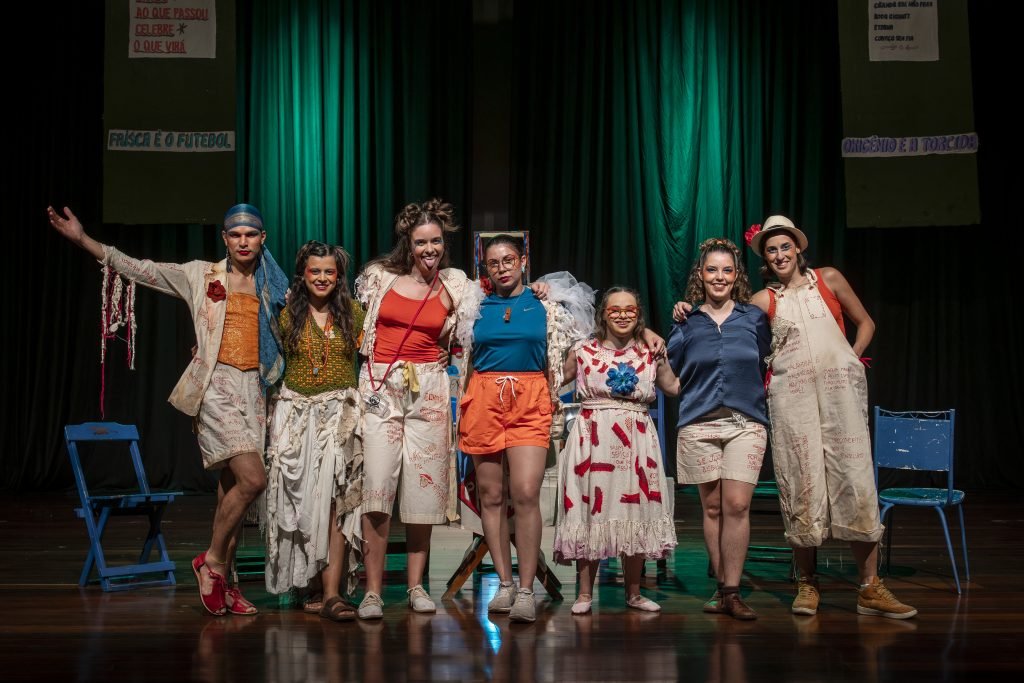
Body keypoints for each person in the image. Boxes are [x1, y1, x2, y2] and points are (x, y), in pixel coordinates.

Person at [47, 203, 289, 616]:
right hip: (216, 388)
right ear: (225, 239)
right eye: (236, 234)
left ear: (262, 238)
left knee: (233, 490)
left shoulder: (276, 288)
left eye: (251, 234)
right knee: (253, 479)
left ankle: (226, 581)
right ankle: (210, 562)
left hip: (257, 392)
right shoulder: (201, 274)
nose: (243, 241)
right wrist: (84, 240)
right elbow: (143, 270)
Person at [745, 215, 916, 619]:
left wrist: (850, 361)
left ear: (798, 249)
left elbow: (866, 323)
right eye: (772, 250)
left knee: (855, 480)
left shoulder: (829, 278)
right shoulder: (763, 300)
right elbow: (739, 343)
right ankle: (807, 583)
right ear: (765, 259)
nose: (780, 254)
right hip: (792, 399)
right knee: (801, 481)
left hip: (841, 395)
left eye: (786, 246)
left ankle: (869, 588)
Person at [453, 235, 593, 623]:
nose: (501, 267)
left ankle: (527, 588)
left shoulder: (545, 304)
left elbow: (580, 348)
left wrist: (552, 387)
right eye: (494, 262)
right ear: (485, 266)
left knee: (527, 492)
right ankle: (504, 583)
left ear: (523, 260)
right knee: (491, 495)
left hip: (529, 396)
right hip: (484, 396)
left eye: (508, 259)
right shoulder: (474, 305)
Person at [352, 199, 472, 620]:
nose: (429, 249)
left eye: (436, 241)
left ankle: (417, 586)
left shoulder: (455, 284)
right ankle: (372, 591)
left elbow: (483, 312)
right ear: (408, 241)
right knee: (378, 486)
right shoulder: (378, 277)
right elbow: (352, 321)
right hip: (382, 386)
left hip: (430, 388)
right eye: (421, 241)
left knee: (424, 488)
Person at [554, 286, 679, 614]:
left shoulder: (651, 350)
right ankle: (583, 594)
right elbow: (551, 379)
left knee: (633, 512)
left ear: (638, 315)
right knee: (590, 511)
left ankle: (634, 593)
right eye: (615, 310)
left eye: (630, 310)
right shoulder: (582, 350)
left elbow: (673, 386)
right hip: (593, 439)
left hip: (637, 439)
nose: (623, 315)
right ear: (603, 314)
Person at [668, 238, 770, 620]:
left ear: (736, 275)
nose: (719, 277)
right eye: (712, 269)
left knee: (737, 505)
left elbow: (767, 359)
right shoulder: (686, 321)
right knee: (711, 507)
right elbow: (673, 371)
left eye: (727, 270)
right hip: (698, 423)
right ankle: (722, 588)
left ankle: (732, 590)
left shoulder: (753, 318)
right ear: (700, 274)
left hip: (746, 422)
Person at [264, 241, 365, 622]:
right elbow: (262, 354)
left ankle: (333, 594)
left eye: (329, 272)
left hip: (339, 416)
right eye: (314, 271)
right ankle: (309, 583)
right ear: (303, 275)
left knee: (336, 503)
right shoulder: (286, 314)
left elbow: (383, 346)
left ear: (339, 277)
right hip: (295, 416)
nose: (322, 278)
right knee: (300, 501)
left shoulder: (353, 313)